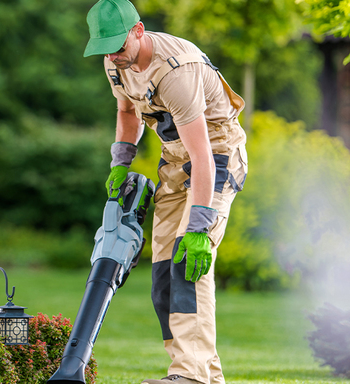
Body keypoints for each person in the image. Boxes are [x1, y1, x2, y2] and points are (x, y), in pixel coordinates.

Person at [83, 0, 249, 383]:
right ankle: (206, 376)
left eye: (118, 45)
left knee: (188, 263)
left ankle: (188, 376)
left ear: (138, 30)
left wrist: (199, 227)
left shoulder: (177, 70)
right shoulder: (115, 62)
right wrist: (120, 163)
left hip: (216, 157)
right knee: (163, 275)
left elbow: (204, 156)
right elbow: (127, 112)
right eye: (105, 47)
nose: (112, 55)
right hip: (174, 162)